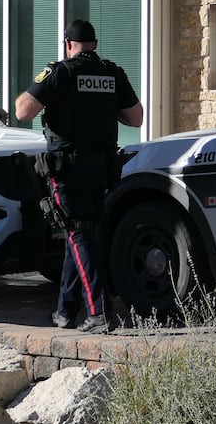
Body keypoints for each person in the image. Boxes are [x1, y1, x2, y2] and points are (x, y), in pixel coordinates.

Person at [14, 19, 144, 334]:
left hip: (68, 170)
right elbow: (136, 118)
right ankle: (64, 310)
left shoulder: (59, 72)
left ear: (67, 44)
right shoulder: (113, 73)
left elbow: (23, 111)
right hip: (103, 171)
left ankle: (99, 313)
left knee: (79, 234)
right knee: (82, 232)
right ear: (95, 45)